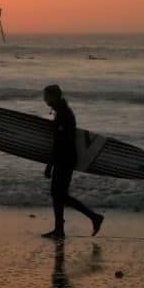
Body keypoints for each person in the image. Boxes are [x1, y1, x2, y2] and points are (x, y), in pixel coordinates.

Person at [42, 84, 103, 239]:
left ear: (54, 96)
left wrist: (50, 165)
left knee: (60, 195)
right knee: (58, 195)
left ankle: (94, 217)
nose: (44, 99)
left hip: (65, 159)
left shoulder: (63, 114)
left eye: (46, 96)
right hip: (64, 159)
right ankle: (59, 229)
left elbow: (60, 143)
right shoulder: (62, 112)